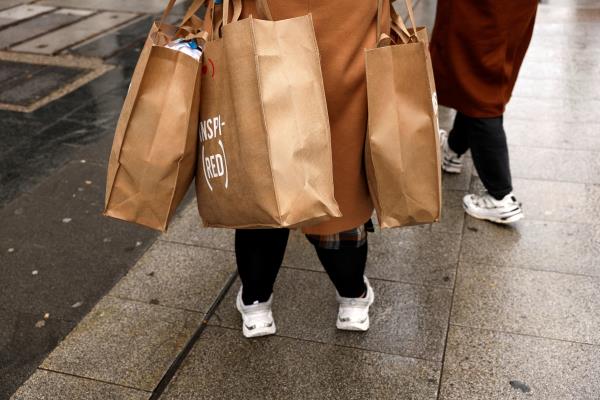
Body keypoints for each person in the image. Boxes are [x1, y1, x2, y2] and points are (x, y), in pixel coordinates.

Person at [229, 0, 390, 338]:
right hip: (347, 39)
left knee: (268, 175)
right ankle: (352, 300)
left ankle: (257, 305)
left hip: (267, 39)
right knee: (340, 175)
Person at [430, 0, 538, 224]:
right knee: (473, 74)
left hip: (481, 9)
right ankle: (453, 149)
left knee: (479, 80)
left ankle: (500, 196)